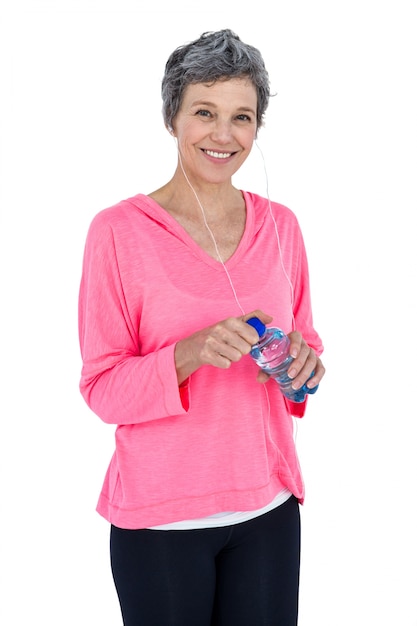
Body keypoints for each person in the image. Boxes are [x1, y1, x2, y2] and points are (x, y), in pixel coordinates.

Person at [78, 29, 325, 626]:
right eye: (204, 112)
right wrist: (186, 354)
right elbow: (101, 388)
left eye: (242, 117)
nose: (224, 134)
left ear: (257, 128)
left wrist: (305, 366)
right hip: (161, 522)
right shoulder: (117, 232)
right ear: (173, 118)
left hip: (267, 508)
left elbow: (307, 344)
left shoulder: (282, 227)